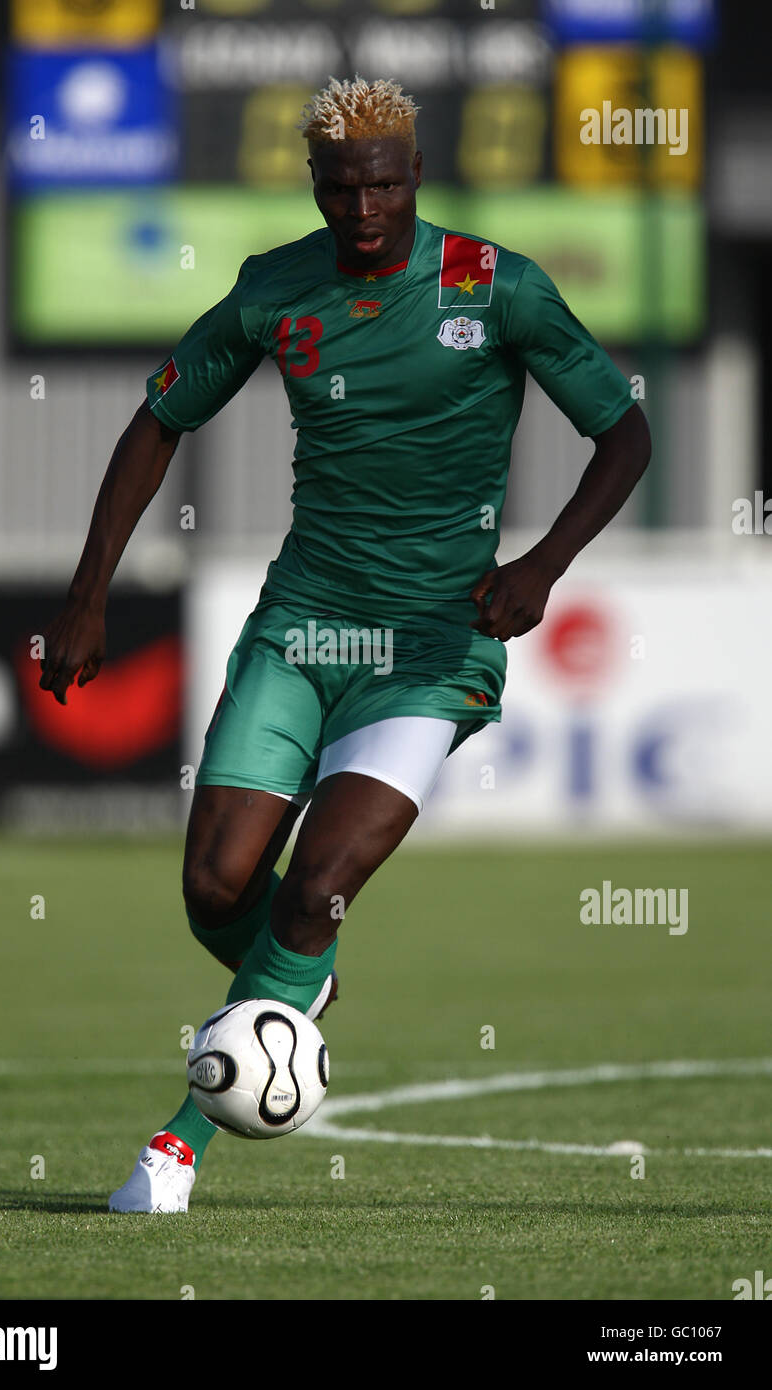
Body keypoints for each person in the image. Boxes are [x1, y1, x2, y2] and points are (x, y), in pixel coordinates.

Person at [39, 75, 651, 1213]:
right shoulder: (275, 288)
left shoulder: (496, 285)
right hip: (300, 629)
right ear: (314, 186)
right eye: (339, 189)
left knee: (316, 886)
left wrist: (542, 565)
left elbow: (623, 432)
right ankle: (297, 986)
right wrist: (88, 596)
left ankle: (178, 1144)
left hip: (428, 651)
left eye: (381, 186)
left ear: (415, 174)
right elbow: (158, 420)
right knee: (215, 888)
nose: (363, 209)